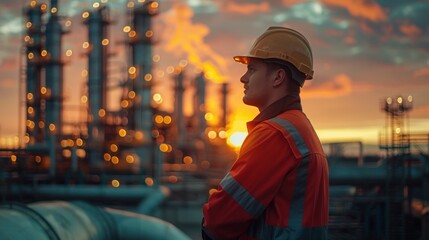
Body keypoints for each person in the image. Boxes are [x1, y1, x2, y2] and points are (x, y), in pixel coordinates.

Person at [201, 26, 329, 240]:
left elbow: (217, 221)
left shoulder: (275, 134)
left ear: (278, 77)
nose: (243, 78)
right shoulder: (301, 129)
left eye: (252, 69)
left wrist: (215, 200)